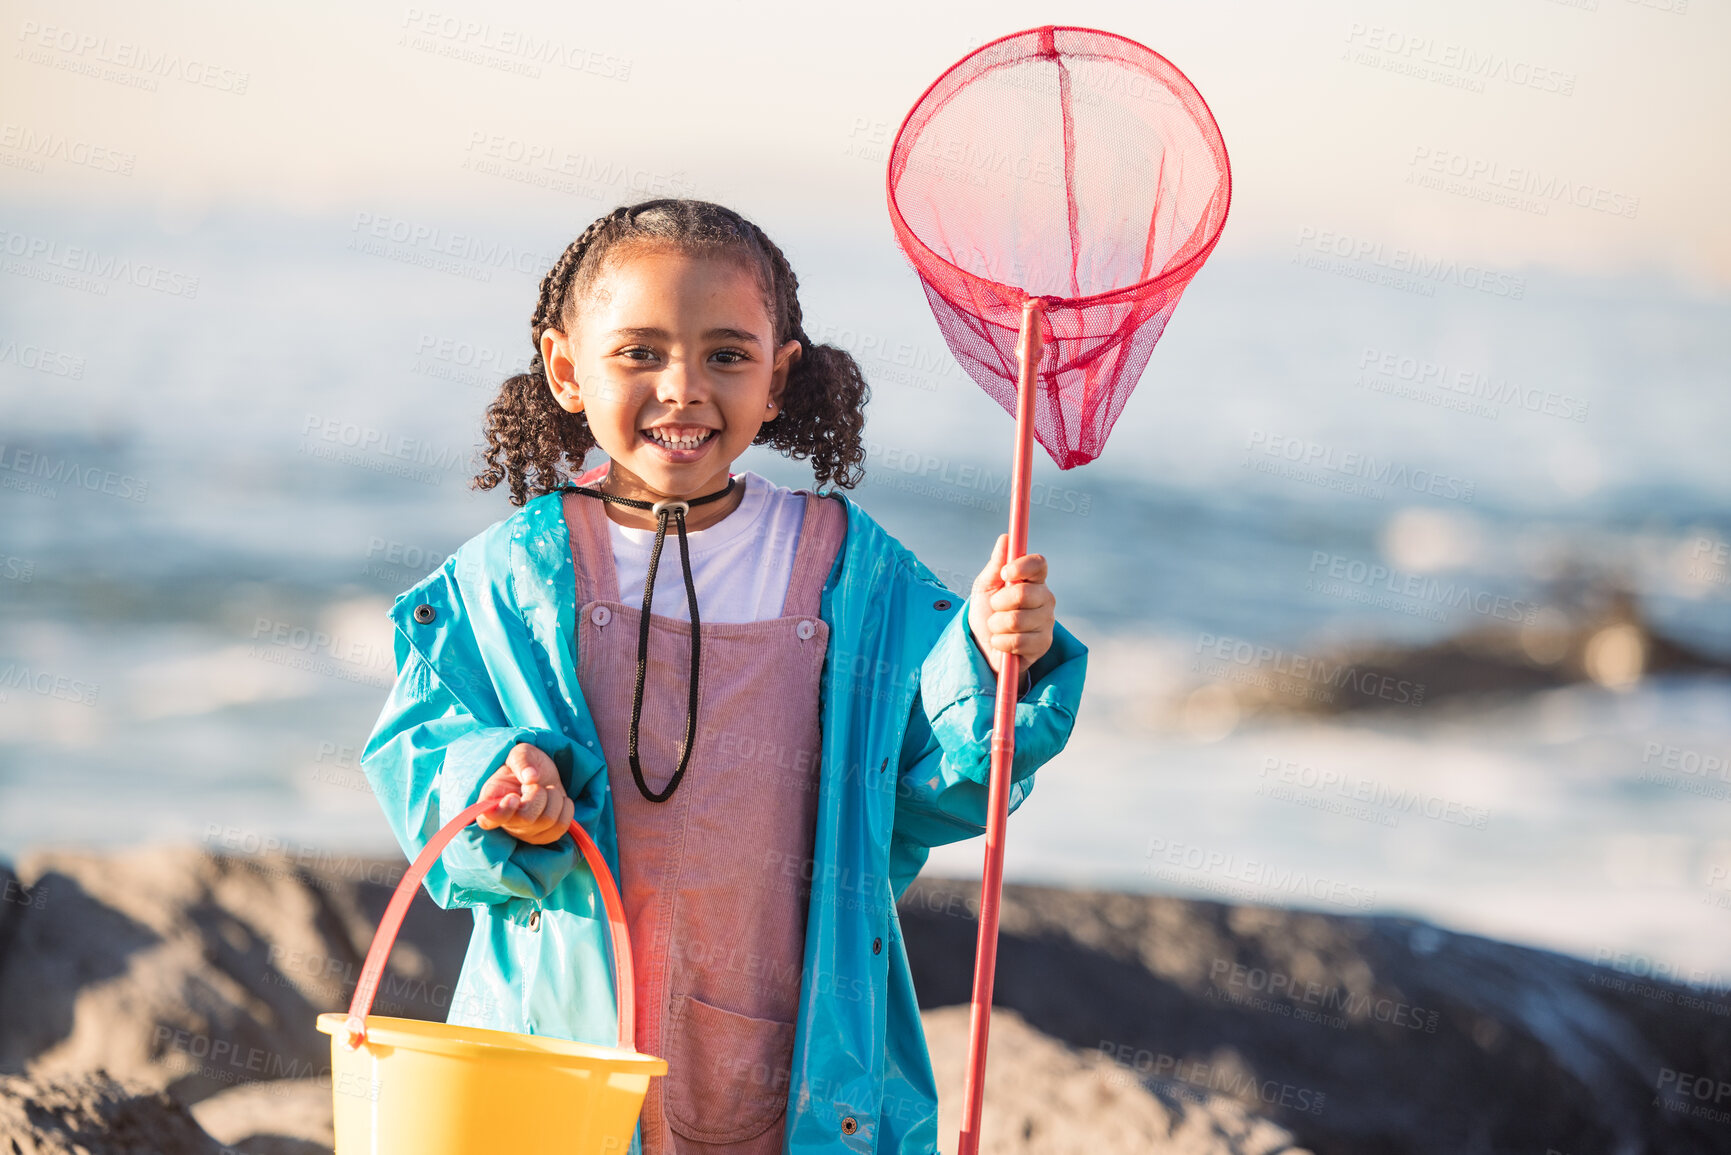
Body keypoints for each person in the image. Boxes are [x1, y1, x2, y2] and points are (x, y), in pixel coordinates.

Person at [360, 198, 1088, 1155]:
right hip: (565, 1042)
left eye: (727, 356)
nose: (683, 388)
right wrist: (501, 783)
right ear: (566, 369)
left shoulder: (848, 569)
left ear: (778, 377)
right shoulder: (508, 578)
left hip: (793, 1046)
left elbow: (932, 774)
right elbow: (422, 752)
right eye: (640, 352)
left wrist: (1000, 654)